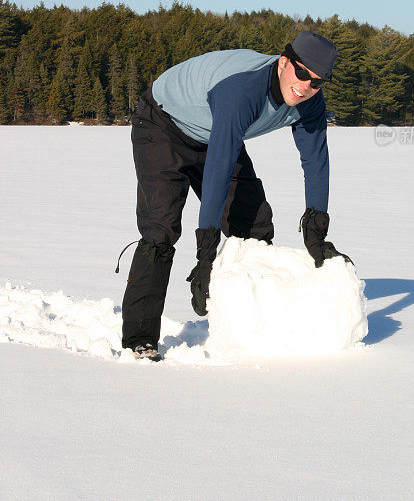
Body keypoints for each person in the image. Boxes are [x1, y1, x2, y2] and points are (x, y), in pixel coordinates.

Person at [121, 30, 350, 360]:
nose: (305, 87)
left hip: (213, 133)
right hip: (162, 124)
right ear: (285, 62)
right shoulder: (242, 92)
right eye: (302, 74)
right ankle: (139, 341)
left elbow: (315, 161)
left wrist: (316, 235)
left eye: (316, 82)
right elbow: (219, 165)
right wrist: (205, 255)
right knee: (161, 228)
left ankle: (250, 325)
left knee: (254, 224)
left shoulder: (309, 102)